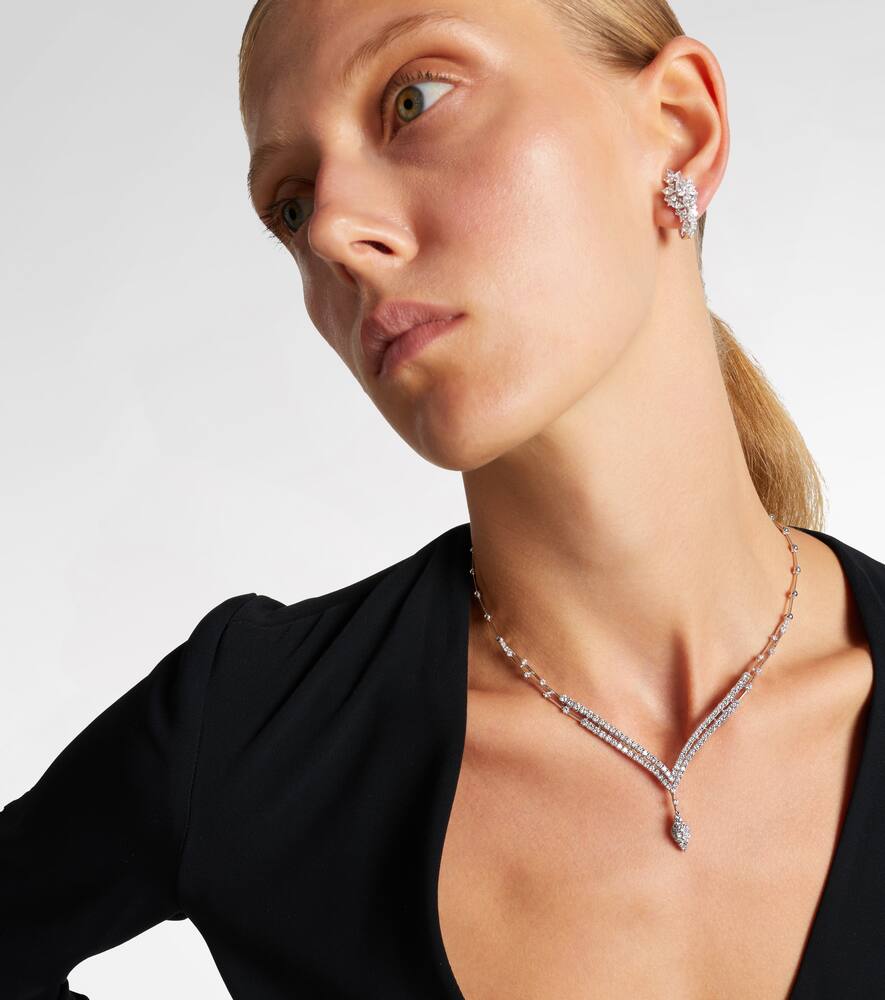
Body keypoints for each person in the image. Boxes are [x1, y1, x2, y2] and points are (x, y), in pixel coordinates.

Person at [3, 0, 883, 997]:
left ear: (678, 127)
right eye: (291, 205)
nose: (330, 232)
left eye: (413, 100)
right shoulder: (260, 734)